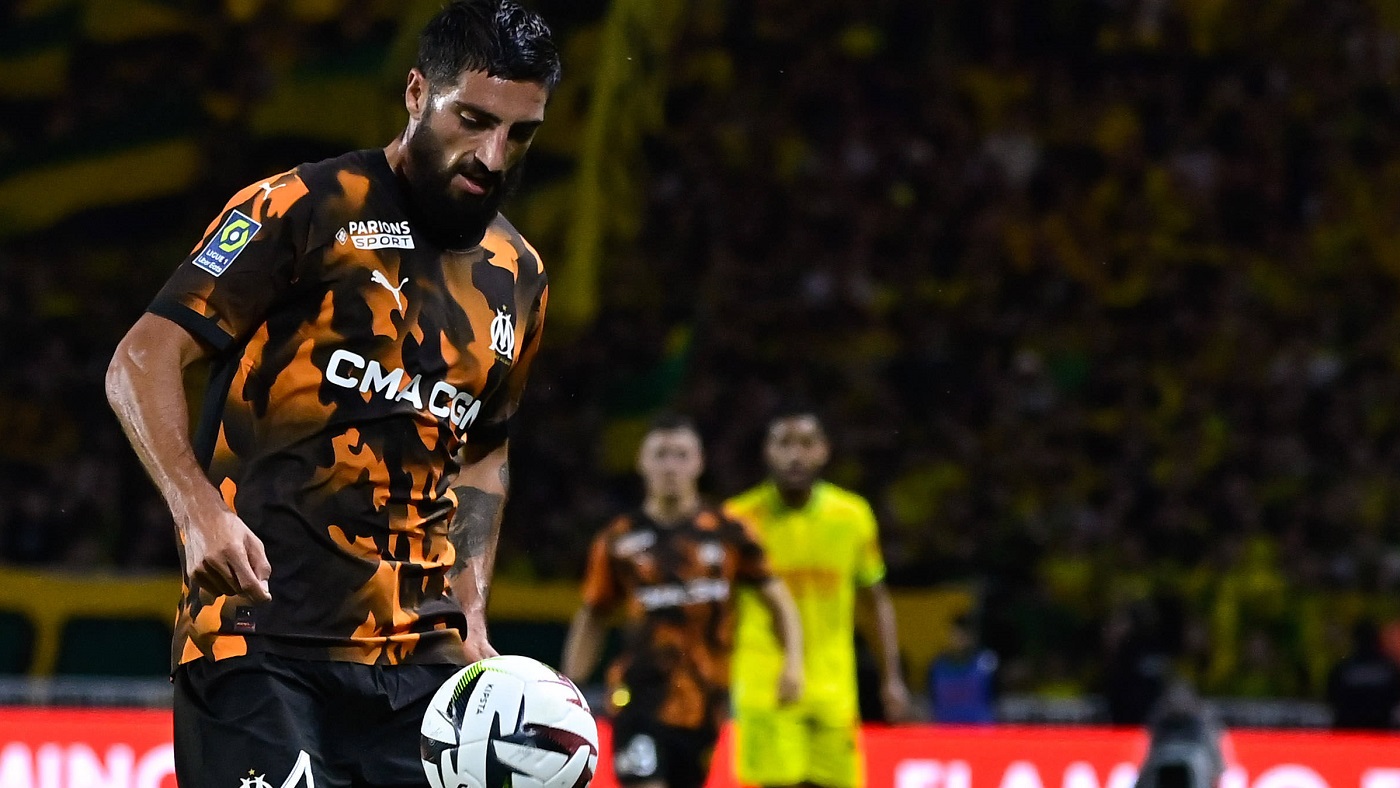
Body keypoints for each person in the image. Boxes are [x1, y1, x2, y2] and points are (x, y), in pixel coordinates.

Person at [103, 3, 561, 786]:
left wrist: (472, 607)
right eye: (474, 120)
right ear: (416, 93)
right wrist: (197, 510)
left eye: (519, 134)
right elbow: (141, 358)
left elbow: (483, 451)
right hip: (258, 641)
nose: (493, 155)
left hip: (422, 668)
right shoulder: (303, 206)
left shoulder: (520, 276)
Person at [562, 414, 804, 788]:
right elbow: (593, 614)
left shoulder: (729, 531)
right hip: (639, 697)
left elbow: (779, 599)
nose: (670, 466)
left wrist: (793, 664)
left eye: (681, 455)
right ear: (642, 462)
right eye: (660, 454)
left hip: (705, 703)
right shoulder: (619, 538)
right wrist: (569, 688)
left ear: (699, 462)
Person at [724, 407, 912, 788]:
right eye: (784, 444)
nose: (795, 455)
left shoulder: (852, 516)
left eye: (806, 444)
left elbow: (874, 601)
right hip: (765, 685)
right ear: (767, 451)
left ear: (824, 450)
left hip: (834, 688)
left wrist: (892, 678)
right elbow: (718, 607)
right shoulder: (738, 519)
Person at [1326, 619, 1400, 730]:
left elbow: (1331, 696)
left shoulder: (1343, 669)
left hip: (1348, 730)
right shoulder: (1388, 669)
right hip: (1379, 732)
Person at [926, 615, 999, 724]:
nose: (960, 639)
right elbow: (930, 699)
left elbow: (997, 697)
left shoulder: (987, 663)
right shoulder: (936, 666)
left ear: (972, 636)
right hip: (945, 728)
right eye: (956, 634)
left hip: (979, 728)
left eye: (964, 635)